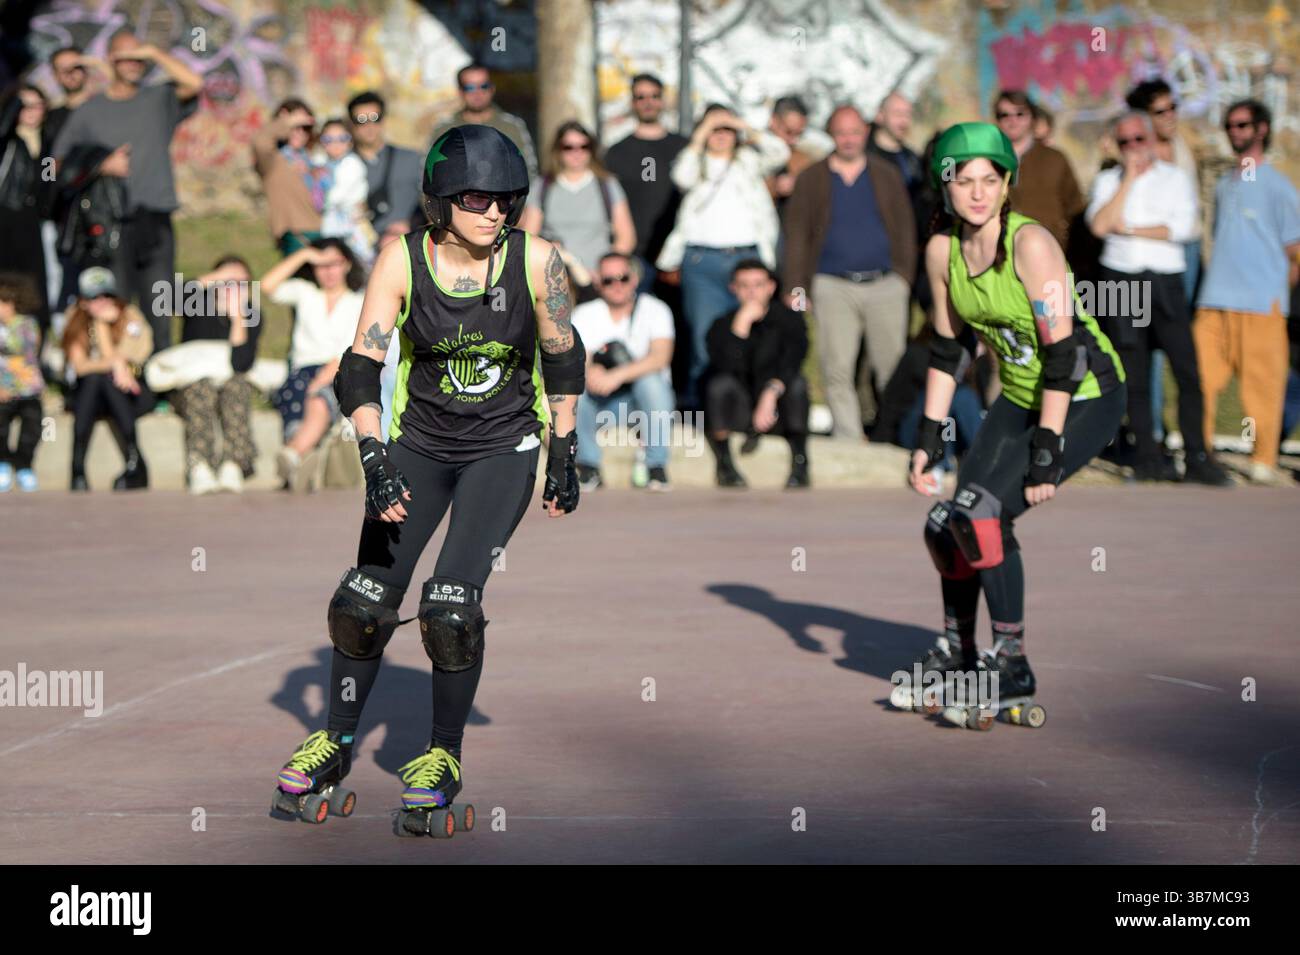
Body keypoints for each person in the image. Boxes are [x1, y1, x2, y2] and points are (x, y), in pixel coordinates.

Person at [270, 125, 583, 834]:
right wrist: (373, 455)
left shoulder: (539, 261)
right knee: (362, 600)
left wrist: (563, 446)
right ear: (441, 200)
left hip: (502, 449)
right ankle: (336, 741)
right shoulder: (401, 259)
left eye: (505, 199)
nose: (494, 212)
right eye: (476, 199)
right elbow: (361, 367)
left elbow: (563, 355)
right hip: (418, 445)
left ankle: (442, 754)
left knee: (449, 607)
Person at [900, 123, 1126, 727]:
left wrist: (1048, 446)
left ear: (1007, 185)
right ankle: (958, 653)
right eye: (964, 181)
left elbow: (1065, 355)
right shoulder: (942, 251)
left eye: (990, 180)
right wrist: (929, 436)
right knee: (947, 523)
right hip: (1022, 396)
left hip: (1084, 397)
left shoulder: (1031, 245)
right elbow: (950, 351)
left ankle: (1012, 662)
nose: (978, 193)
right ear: (945, 188)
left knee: (982, 514)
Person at [1085, 111, 1230, 485]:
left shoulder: (1175, 178)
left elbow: (1182, 227)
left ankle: (1197, 456)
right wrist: (1128, 180)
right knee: (1133, 373)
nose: (1133, 147)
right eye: (1125, 142)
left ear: (1151, 139)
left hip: (1165, 280)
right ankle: (1147, 456)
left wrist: (1130, 228)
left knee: (1186, 370)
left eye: (1139, 139)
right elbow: (1099, 225)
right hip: (1121, 280)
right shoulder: (1107, 180)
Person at [51, 29, 202, 350]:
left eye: (139, 57)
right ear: (111, 59)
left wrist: (154, 53)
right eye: (125, 57)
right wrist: (100, 165)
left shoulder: (158, 99)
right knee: (117, 304)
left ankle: (158, 370)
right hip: (111, 222)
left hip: (156, 217)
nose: (134, 63)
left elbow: (195, 83)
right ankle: (120, 371)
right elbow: (52, 166)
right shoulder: (90, 110)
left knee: (160, 304)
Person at [783, 104, 916, 440]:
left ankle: (894, 437)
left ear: (865, 133)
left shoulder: (886, 174)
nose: (849, 139)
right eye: (841, 133)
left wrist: (903, 278)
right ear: (831, 135)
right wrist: (796, 289)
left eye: (855, 132)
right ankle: (849, 441)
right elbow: (796, 236)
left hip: (885, 284)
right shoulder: (812, 178)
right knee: (836, 368)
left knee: (891, 369)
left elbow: (905, 228)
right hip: (832, 284)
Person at [1194, 100, 1300, 485]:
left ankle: (1262, 459)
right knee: (1200, 382)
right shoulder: (1225, 184)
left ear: (1262, 129)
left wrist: (1275, 291)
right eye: (1230, 125)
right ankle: (1200, 454)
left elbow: (1295, 250)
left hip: (1260, 304)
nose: (1234, 132)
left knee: (1261, 388)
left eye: (1242, 125)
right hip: (1213, 300)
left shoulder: (1278, 186)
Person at [657, 104, 789, 408]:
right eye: (714, 129)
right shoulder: (696, 163)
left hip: (748, 261)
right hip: (703, 263)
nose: (720, 134)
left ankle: (745, 409)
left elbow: (780, 152)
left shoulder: (748, 160)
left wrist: (741, 124)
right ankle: (701, 410)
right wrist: (703, 131)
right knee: (705, 340)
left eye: (726, 129)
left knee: (750, 336)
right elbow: (681, 176)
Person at [1126, 79, 1204, 445]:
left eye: (1174, 107)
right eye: (1161, 111)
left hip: (1186, 252)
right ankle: (1151, 432)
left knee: (1179, 345)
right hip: (1146, 258)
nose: (1171, 116)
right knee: (1147, 347)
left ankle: (1188, 436)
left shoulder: (1182, 148)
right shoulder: (1132, 153)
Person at [262, 239, 366, 490]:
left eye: (334, 263)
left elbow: (350, 347)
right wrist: (305, 255)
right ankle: (301, 459)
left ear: (347, 264)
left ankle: (293, 453)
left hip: (340, 370)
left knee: (319, 398)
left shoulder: (358, 301)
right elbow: (267, 286)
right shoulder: (306, 293)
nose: (329, 271)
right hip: (302, 370)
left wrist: (321, 379)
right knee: (296, 395)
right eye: (322, 265)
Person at [573, 252, 675, 491]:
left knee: (651, 382)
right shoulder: (584, 313)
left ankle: (656, 467)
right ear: (598, 283)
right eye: (608, 280)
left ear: (635, 279)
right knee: (574, 387)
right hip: (602, 404)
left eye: (623, 278)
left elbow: (660, 358)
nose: (617, 285)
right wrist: (593, 371)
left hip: (644, 405)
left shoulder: (656, 309)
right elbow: (579, 360)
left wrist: (616, 375)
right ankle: (588, 466)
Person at [705, 259, 810, 489]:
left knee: (797, 384)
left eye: (758, 284)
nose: (752, 292)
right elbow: (724, 366)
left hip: (778, 407)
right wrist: (741, 326)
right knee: (718, 386)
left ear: (770, 287)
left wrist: (771, 392)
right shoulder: (721, 325)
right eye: (744, 285)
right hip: (741, 409)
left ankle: (801, 462)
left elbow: (793, 360)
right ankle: (725, 464)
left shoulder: (790, 320)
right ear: (733, 288)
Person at [171, 256, 261, 494]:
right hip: (194, 383)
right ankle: (199, 465)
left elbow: (241, 363)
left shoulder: (252, 315)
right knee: (201, 388)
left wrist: (238, 319)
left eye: (240, 283)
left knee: (237, 386)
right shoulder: (198, 304)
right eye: (228, 281)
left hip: (229, 381)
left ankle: (233, 463)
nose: (233, 288)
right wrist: (215, 277)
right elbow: (169, 300)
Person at [60, 267, 154, 491]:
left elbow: (136, 358)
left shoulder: (130, 316)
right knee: (96, 378)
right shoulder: (75, 318)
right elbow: (80, 366)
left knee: (105, 379)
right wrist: (115, 362)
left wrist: (103, 330)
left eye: (107, 295)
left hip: (128, 393)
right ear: (83, 301)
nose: (102, 302)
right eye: (94, 297)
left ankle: (129, 462)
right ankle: (82, 466)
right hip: (89, 396)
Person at [518, 121, 635, 301]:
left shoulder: (607, 185)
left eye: (583, 146)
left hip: (598, 282)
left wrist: (605, 272)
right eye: (568, 147)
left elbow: (626, 237)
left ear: (591, 149)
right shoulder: (542, 186)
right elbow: (529, 237)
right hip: (555, 281)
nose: (577, 152)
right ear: (558, 150)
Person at [603, 73, 689, 293]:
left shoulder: (684, 148)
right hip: (636, 254)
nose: (648, 102)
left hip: (678, 252)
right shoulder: (616, 152)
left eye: (654, 96)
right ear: (632, 103)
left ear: (663, 100)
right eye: (641, 97)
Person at [993, 90, 1085, 253]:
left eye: (1020, 114)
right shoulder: (988, 161)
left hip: (1051, 250)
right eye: (1004, 115)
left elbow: (1075, 207)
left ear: (1032, 117)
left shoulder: (1055, 158)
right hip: (1000, 253)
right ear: (997, 120)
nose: (1013, 120)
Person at [0, 84, 54, 337]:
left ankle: (33, 337)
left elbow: (48, 182)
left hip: (31, 221)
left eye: (37, 105)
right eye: (25, 106)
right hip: (5, 216)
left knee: (34, 282)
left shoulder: (46, 143)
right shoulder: (7, 140)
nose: (32, 111)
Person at [429, 63, 538, 180]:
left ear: (492, 89)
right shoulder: (443, 130)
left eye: (484, 86)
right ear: (460, 92)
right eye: (470, 87)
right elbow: (428, 175)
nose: (478, 93)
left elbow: (529, 173)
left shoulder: (512, 127)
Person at [348, 91, 422, 251]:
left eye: (375, 118)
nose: (369, 126)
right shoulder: (344, 166)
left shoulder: (411, 159)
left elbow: (432, 204)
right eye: (361, 120)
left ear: (384, 120)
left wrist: (413, 223)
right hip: (359, 250)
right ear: (351, 125)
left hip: (409, 245)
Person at [251, 99, 324, 255]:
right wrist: (286, 122)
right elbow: (260, 142)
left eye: (305, 128)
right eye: (294, 127)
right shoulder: (274, 160)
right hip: (297, 234)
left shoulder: (310, 159)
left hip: (323, 230)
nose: (299, 132)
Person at [0, 273, 45, 492]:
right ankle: (3, 463)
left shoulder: (27, 324)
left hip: (27, 388)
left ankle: (24, 465)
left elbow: (29, 352)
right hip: (2, 390)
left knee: (33, 426)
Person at [318, 118, 376, 266]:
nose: (335, 144)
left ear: (350, 141)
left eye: (342, 139)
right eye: (328, 139)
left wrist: (320, 200)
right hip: (333, 221)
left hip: (352, 221)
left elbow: (336, 196)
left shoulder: (352, 163)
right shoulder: (321, 162)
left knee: (360, 258)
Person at [765, 95, 833, 219]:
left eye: (799, 134)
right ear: (773, 121)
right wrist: (774, 187)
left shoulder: (803, 157)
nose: (793, 140)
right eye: (788, 132)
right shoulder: (749, 152)